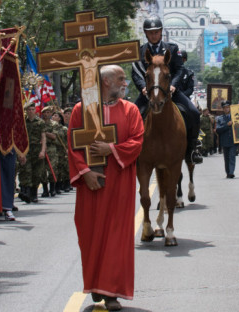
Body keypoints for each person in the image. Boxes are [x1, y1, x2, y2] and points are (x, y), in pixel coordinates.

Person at [68, 65, 144, 311]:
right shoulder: (81, 110)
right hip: (92, 185)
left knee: (117, 236)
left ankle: (112, 293)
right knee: (90, 234)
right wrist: (85, 172)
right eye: (121, 79)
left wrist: (111, 149)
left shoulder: (131, 110)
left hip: (119, 183)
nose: (125, 83)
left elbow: (137, 140)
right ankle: (96, 285)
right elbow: (72, 144)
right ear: (106, 81)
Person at [131, 16, 202, 164]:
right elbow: (136, 73)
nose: (154, 35)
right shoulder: (140, 51)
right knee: (131, 116)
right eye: (150, 32)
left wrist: (173, 85)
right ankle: (132, 152)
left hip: (170, 92)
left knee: (194, 113)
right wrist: (143, 88)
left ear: (161, 32)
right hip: (148, 93)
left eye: (156, 32)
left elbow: (179, 69)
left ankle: (193, 148)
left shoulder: (172, 48)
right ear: (145, 33)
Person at [17, 102, 47, 203]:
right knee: (26, 171)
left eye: (32, 109)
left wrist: (43, 151)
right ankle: (26, 193)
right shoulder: (23, 122)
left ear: (35, 110)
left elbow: (43, 137)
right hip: (26, 150)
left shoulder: (40, 122)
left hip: (37, 149)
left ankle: (34, 194)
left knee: (37, 173)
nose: (30, 111)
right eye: (28, 109)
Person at [40, 105, 61, 197]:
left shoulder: (54, 124)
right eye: (44, 112)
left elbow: (54, 136)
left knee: (53, 169)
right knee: (42, 170)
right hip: (41, 148)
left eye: (48, 112)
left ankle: (52, 189)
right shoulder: (39, 124)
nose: (46, 114)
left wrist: (44, 132)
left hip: (51, 148)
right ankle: (45, 190)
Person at [216, 101, 236, 178]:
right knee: (226, 158)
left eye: (228, 107)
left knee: (232, 157)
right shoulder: (220, 118)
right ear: (223, 109)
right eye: (225, 108)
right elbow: (218, 130)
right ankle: (228, 172)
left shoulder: (235, 116)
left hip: (233, 140)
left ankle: (231, 172)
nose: (226, 109)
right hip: (224, 141)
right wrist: (226, 125)